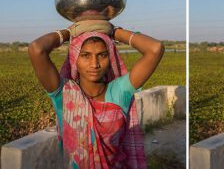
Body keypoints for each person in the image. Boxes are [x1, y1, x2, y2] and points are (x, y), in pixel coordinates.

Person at [28, 20, 165, 168]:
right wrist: (69, 32)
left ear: (110, 57)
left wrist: (114, 32)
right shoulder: (64, 93)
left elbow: (155, 49)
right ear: (74, 59)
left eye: (102, 55)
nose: (95, 64)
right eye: (86, 55)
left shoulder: (119, 90)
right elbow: (37, 49)